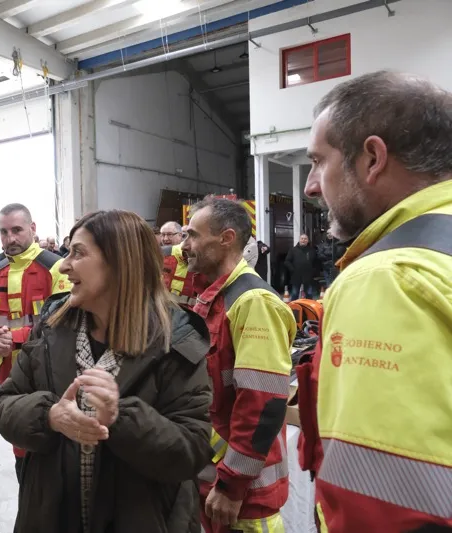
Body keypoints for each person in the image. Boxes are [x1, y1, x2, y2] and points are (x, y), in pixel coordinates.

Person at [297, 71, 452, 532]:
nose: (310, 186)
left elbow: (384, 506)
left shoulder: (388, 277)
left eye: (318, 162)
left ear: (372, 158)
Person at [0, 209, 213, 533]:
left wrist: (120, 418)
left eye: (78, 253)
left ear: (121, 263)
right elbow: (3, 406)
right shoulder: (52, 326)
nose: (64, 265)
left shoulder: (176, 341)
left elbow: (191, 452)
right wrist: (49, 416)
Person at [182, 197, 295, 533]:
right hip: (212, 479)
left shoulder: (252, 302)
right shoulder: (212, 296)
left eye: (193, 235)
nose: (184, 246)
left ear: (226, 238)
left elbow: (261, 404)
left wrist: (232, 485)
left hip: (244, 497)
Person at [0, 203, 71, 481]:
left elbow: (65, 324)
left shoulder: (57, 268)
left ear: (32, 229)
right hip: (10, 377)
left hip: (52, 376)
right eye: (4, 232)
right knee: (21, 451)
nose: (10, 238)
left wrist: (11, 339)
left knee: (57, 451)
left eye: (16, 230)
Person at [284, 234, 319, 299]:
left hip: (308, 276)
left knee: (309, 294)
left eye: (305, 239)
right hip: (296, 276)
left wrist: (314, 272)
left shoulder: (312, 251)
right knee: (294, 293)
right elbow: (287, 261)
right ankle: (294, 308)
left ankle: (309, 308)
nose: (303, 240)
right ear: (299, 240)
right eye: (302, 238)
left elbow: (316, 262)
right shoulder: (293, 250)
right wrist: (292, 270)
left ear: (308, 241)